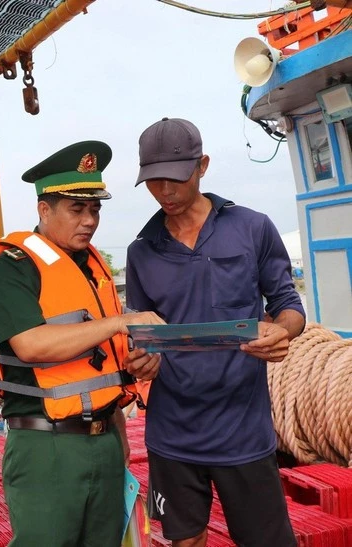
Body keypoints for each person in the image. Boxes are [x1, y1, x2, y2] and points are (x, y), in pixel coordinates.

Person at [0, 140, 164, 546]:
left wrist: (137, 367)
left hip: (105, 439)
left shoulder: (94, 267)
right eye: (77, 209)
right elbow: (31, 345)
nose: (89, 220)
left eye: (94, 209)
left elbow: (100, 361)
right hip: (45, 446)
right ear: (45, 209)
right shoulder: (12, 266)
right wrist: (121, 322)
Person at [126, 118, 306, 547]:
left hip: (244, 430)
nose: (164, 192)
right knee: (183, 541)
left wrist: (280, 332)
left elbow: (289, 306)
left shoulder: (252, 227)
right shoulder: (140, 250)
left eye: (175, 178)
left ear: (202, 166)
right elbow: (138, 333)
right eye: (153, 182)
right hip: (171, 434)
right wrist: (141, 360)